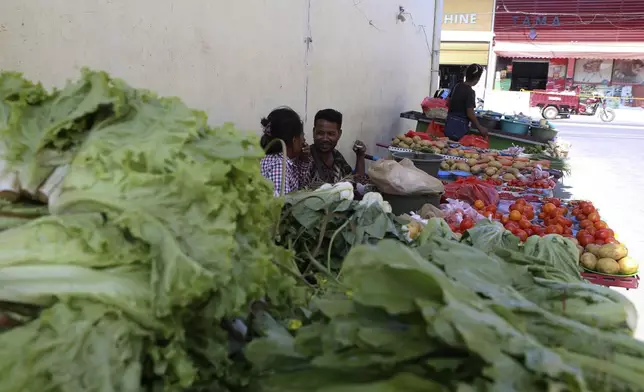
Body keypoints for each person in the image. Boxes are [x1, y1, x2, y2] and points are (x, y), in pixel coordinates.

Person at [259, 107, 311, 196]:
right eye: (302, 136)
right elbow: (281, 203)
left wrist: (304, 160)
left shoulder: (284, 160)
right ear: (294, 140)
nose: (304, 140)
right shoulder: (279, 164)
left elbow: (301, 186)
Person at [309, 109, 367, 185]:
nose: (325, 138)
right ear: (314, 132)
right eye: (320, 133)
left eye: (331, 134)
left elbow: (356, 183)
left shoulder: (337, 157)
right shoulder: (305, 158)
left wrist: (360, 156)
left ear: (339, 134)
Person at [444, 64, 488, 142]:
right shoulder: (470, 92)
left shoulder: (457, 86)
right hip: (460, 129)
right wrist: (480, 128)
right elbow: (470, 113)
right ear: (477, 79)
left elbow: (447, 102)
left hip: (449, 124)